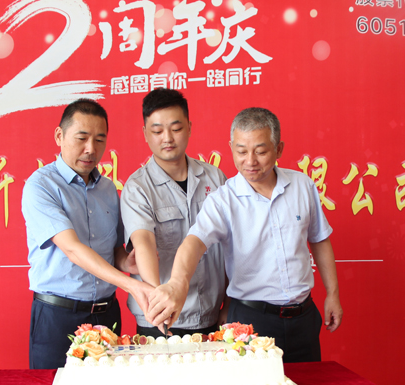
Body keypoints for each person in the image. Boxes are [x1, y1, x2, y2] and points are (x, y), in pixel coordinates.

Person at [146, 107, 343, 363]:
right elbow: (194, 243)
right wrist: (176, 283)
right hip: (251, 323)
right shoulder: (223, 200)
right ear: (231, 147)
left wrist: (333, 293)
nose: (250, 161)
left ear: (278, 149)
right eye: (241, 151)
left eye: (260, 151)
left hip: (304, 317)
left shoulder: (302, 186)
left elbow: (319, 239)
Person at [22, 99, 154, 369]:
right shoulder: (41, 185)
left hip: (107, 315)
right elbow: (72, 249)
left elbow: (114, 250)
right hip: (58, 316)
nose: (91, 149)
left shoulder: (108, 189)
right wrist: (131, 285)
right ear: (59, 136)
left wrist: (127, 263)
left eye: (100, 140)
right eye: (81, 138)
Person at [120, 88, 227, 337]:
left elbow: (232, 245)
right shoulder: (138, 187)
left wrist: (229, 304)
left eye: (176, 129)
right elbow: (143, 244)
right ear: (145, 134)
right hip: (159, 318)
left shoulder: (215, 178)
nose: (167, 138)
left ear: (189, 127)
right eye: (157, 131)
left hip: (210, 313)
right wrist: (160, 303)